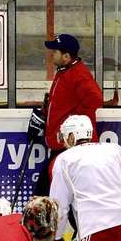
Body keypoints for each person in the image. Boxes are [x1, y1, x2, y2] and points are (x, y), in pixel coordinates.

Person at [33, 33, 103, 197]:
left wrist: (75, 122)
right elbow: (63, 103)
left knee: (45, 190)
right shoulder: (64, 71)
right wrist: (44, 113)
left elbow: (95, 98)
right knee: (60, 193)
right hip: (63, 144)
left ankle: (42, 221)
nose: (51, 55)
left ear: (66, 55)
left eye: (55, 52)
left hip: (71, 146)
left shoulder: (78, 73)